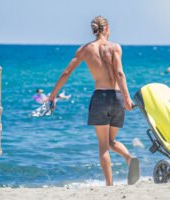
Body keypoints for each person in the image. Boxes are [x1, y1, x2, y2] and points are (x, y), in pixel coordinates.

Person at [47, 16, 139, 186]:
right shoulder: (115, 48)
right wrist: (126, 97)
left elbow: (66, 73)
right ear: (107, 28)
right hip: (118, 98)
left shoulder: (85, 50)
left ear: (94, 30)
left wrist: (52, 96)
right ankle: (129, 158)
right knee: (111, 142)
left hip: (101, 98)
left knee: (103, 145)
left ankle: (110, 185)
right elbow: (119, 73)